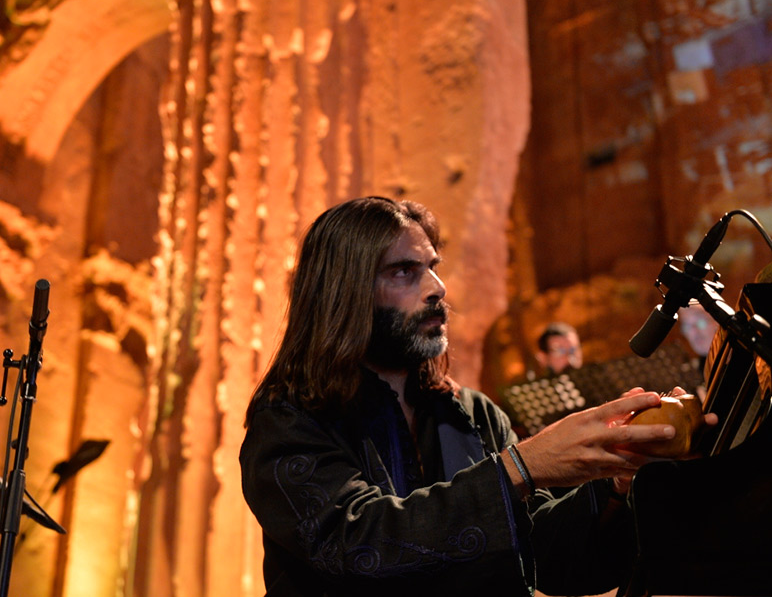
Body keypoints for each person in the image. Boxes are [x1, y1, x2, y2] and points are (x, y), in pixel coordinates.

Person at [239, 197, 706, 596]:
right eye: (404, 271)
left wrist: (617, 483)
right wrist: (520, 468)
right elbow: (358, 546)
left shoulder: (473, 413)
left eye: (432, 268)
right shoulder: (288, 420)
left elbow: (554, 561)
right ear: (344, 293)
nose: (436, 289)